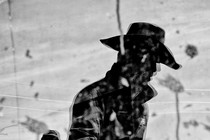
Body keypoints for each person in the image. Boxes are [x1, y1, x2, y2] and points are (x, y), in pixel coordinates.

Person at [68, 22, 181, 140]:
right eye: (149, 61)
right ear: (128, 58)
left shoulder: (141, 107)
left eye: (155, 62)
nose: (155, 69)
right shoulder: (94, 97)